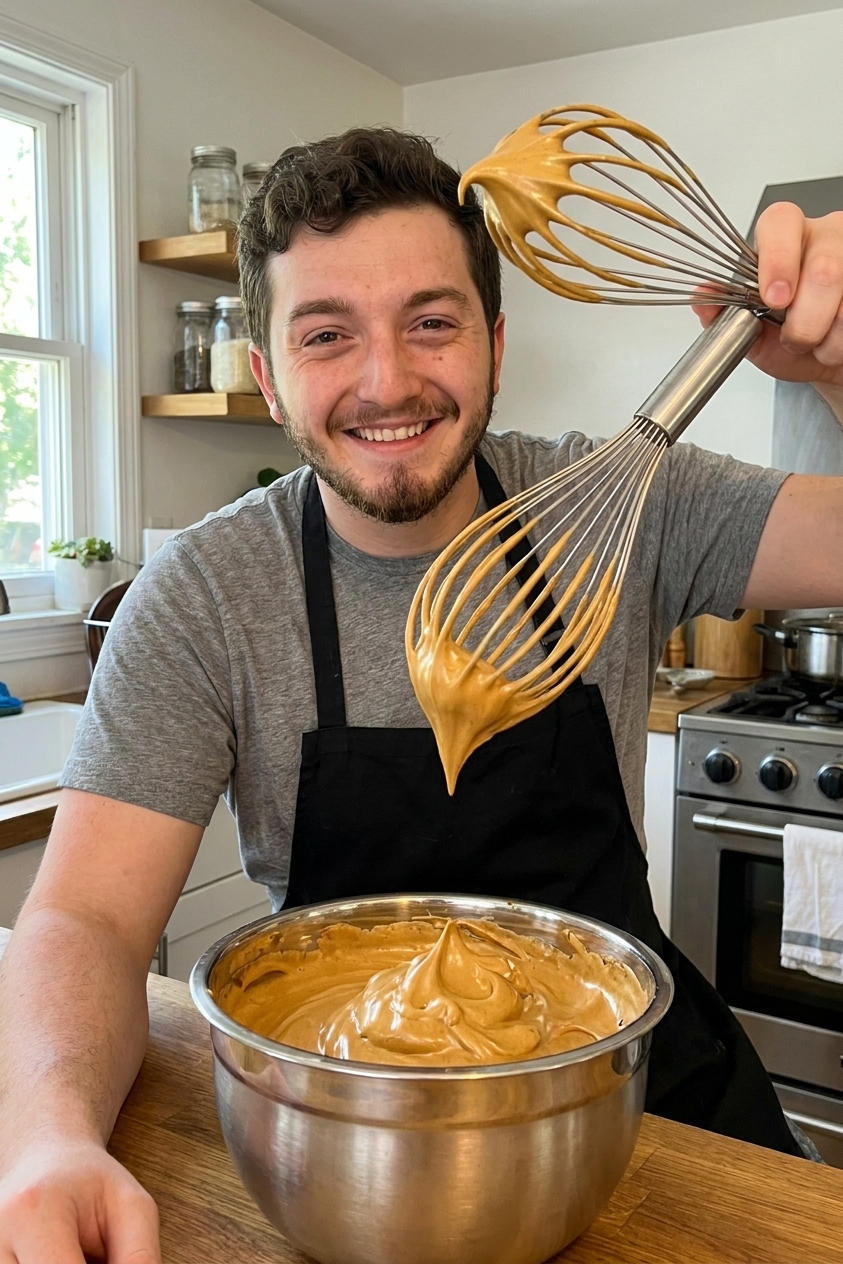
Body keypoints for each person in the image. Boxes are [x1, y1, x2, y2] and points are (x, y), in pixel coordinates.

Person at [1, 126, 843, 1261]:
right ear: (268, 374)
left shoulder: (625, 500)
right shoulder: (202, 597)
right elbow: (87, 922)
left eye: (432, 323)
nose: (388, 381)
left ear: (494, 342)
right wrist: (49, 1138)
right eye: (327, 335)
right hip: (355, 1141)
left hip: (644, 1113)